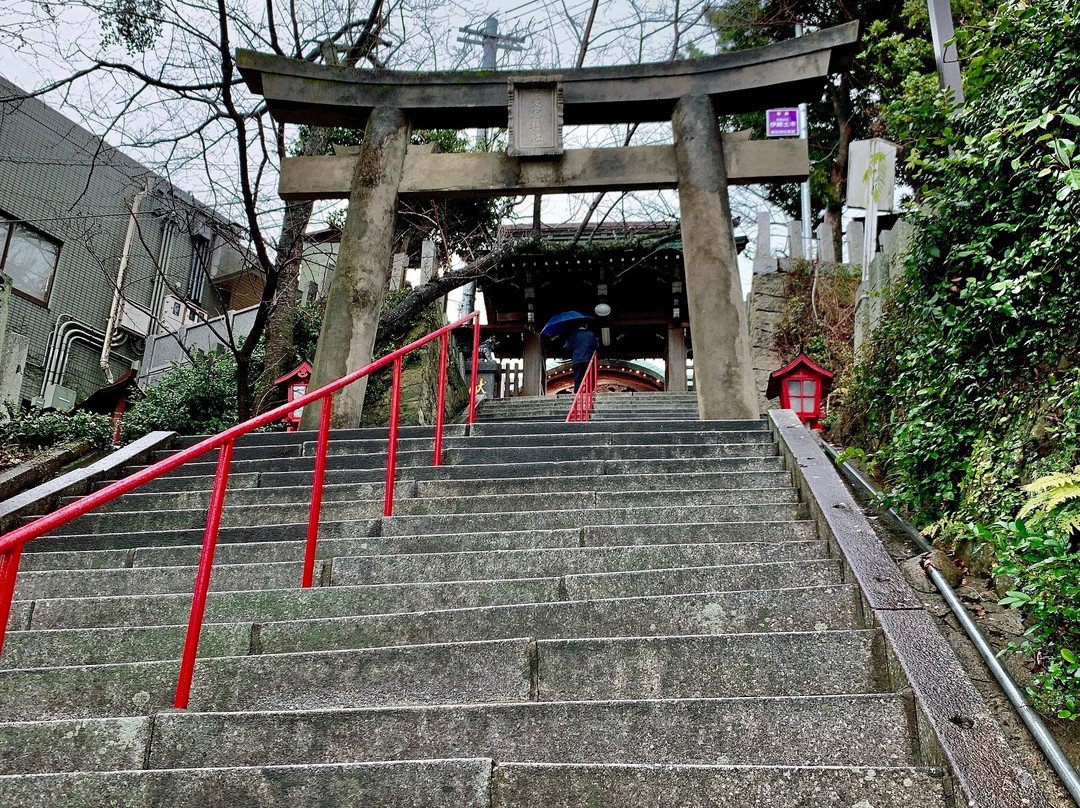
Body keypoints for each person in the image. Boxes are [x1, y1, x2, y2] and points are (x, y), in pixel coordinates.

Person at [564, 324, 599, 392]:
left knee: (578, 378)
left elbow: (567, 347)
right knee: (589, 377)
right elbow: (597, 346)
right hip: (588, 359)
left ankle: (577, 392)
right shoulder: (591, 334)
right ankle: (589, 392)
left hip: (577, 359)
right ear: (586, 326)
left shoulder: (573, 335)